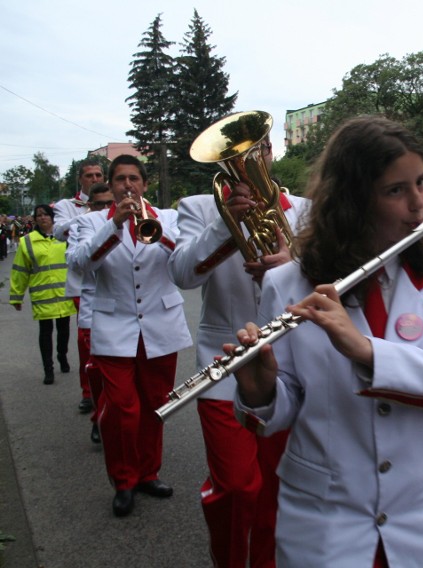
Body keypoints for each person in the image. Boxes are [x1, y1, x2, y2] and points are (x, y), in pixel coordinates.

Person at [228, 116, 423, 567]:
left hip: (419, 519)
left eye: (421, 183)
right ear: (353, 201)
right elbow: (285, 408)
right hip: (323, 521)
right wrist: (260, 390)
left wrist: (366, 350)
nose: (419, 203)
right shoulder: (288, 283)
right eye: (395, 190)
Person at [168, 135, 310, 568]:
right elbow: (182, 274)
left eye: (261, 148)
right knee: (236, 486)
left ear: (271, 154)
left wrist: (292, 264)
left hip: (290, 366)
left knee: (277, 487)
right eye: (244, 153)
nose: (253, 158)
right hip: (224, 363)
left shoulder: (304, 209)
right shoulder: (198, 207)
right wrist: (224, 227)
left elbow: (330, 273)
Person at [68, 155, 192, 518]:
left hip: (160, 327)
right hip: (113, 327)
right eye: (120, 179)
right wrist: (115, 227)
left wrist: (150, 223)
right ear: (110, 183)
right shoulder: (90, 222)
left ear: (144, 183)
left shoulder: (167, 217)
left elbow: (185, 258)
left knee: (156, 407)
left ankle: (148, 474)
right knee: (123, 409)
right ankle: (123, 481)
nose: (127, 185)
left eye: (134, 178)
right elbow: (79, 264)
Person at [54, 158, 106, 414]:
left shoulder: (115, 200)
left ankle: (106, 391)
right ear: (80, 179)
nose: (95, 179)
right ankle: (88, 391)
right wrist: (92, 213)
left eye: (98, 175)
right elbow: (58, 231)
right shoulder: (67, 206)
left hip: (113, 281)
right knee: (87, 341)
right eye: (90, 175)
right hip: (82, 283)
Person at [66, 183, 115, 443]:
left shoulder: (130, 219)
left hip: (125, 313)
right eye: (99, 204)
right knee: (96, 372)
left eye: (110, 203)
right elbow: (77, 263)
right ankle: (100, 414)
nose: (105, 209)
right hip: (93, 309)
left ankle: (110, 417)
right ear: (89, 206)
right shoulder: (81, 226)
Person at [9, 204, 77, 384]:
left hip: (64, 293)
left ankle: (62, 355)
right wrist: (16, 295)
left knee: (64, 330)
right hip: (42, 295)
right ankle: (48, 368)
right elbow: (20, 271)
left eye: (46, 214)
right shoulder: (27, 241)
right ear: (35, 219)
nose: (42, 218)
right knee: (45, 332)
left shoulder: (65, 237)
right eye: (38, 215)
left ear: (53, 217)